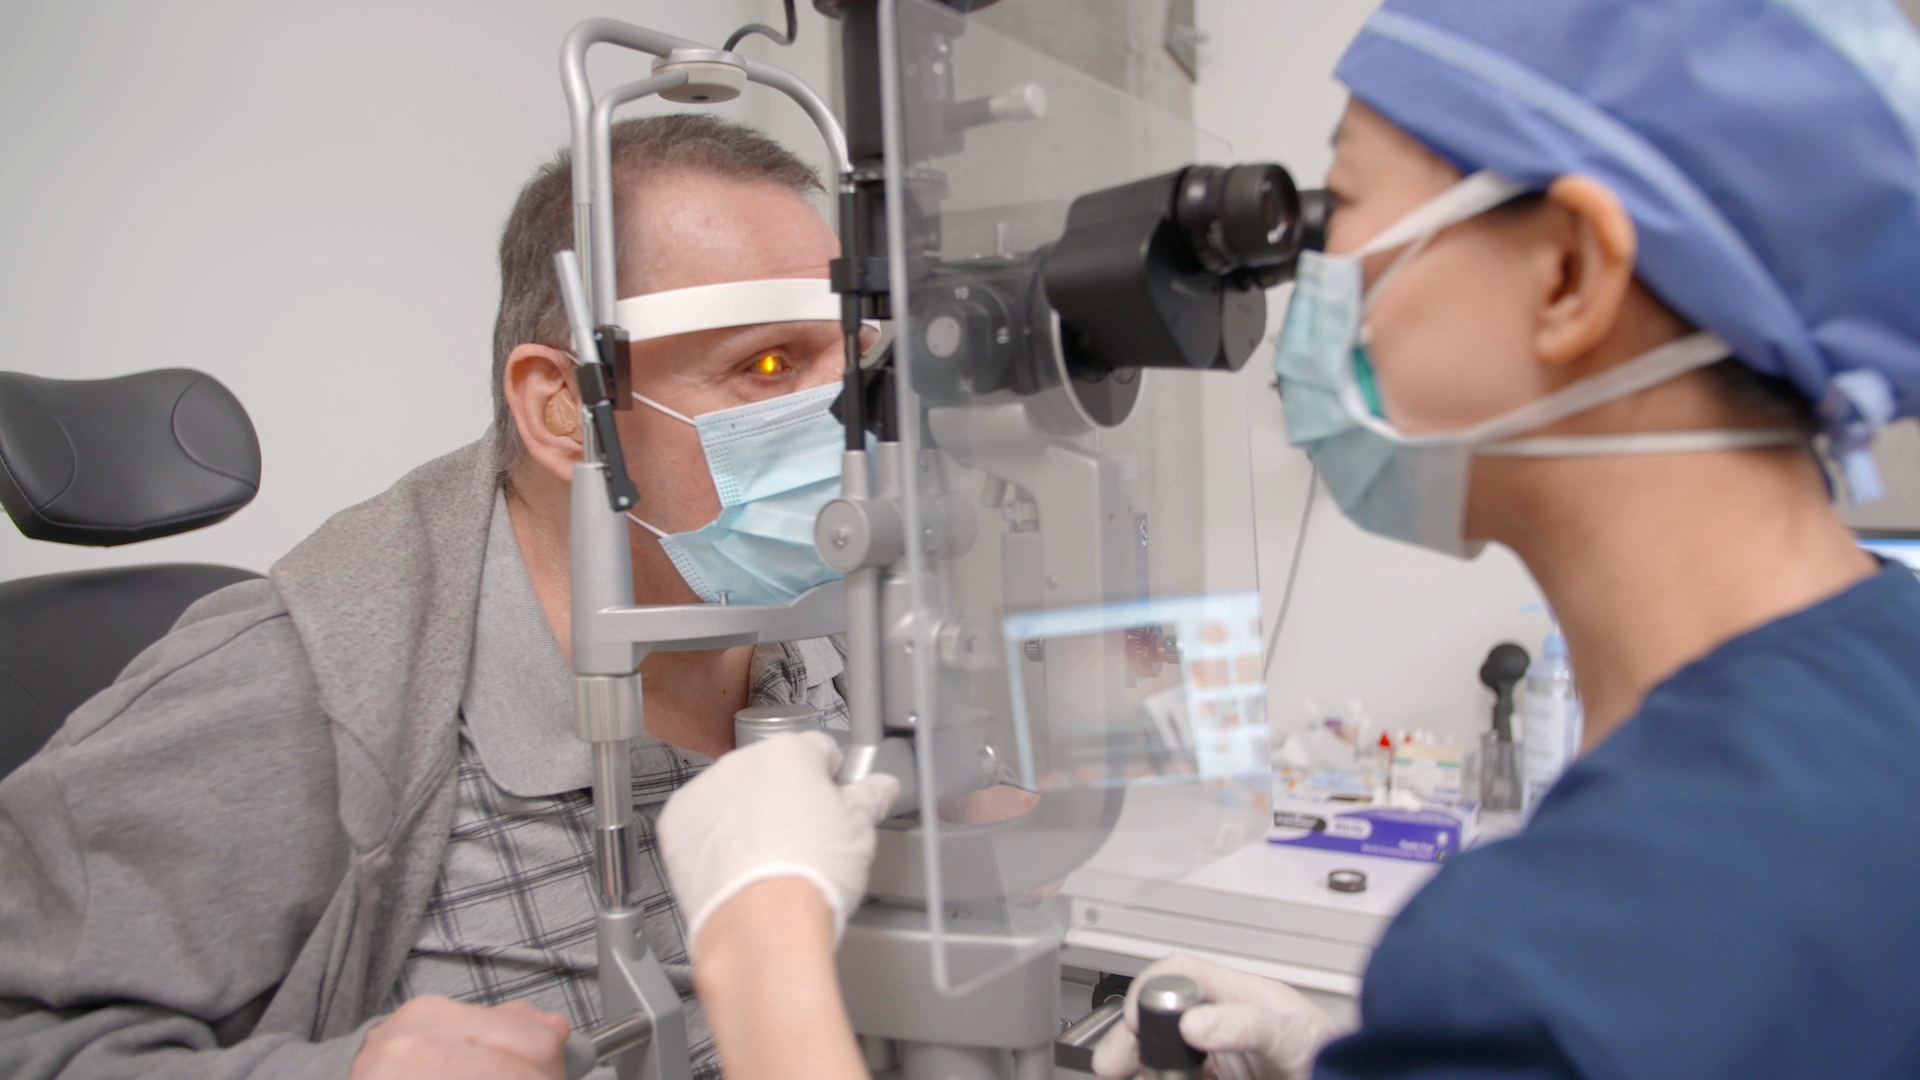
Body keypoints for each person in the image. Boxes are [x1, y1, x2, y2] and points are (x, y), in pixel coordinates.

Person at [653, 1, 1920, 1078]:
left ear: (1570, 277)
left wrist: (757, 945)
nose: (1310, 281)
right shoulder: (1877, 686)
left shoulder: (1559, 954)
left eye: (1343, 214)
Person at [0, 113, 861, 1080]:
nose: (849, 428)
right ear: (563, 408)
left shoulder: (834, 627)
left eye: (856, 366)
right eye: (771, 365)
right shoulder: (316, 696)